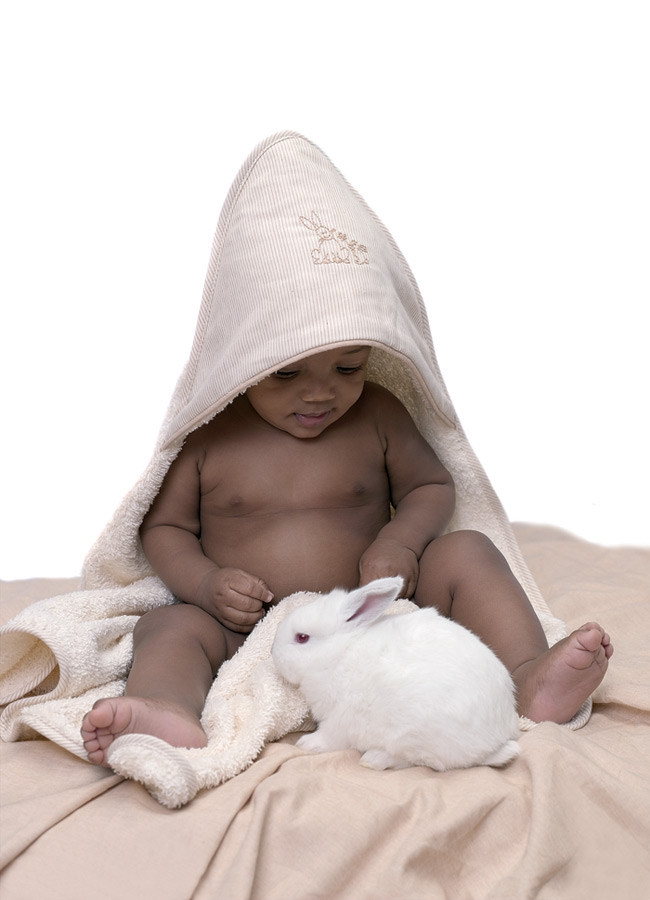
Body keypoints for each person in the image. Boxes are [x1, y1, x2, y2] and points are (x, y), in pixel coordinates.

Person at [81, 344, 612, 765]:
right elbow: (165, 527)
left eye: (348, 367)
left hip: (373, 618)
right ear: (240, 357)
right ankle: (167, 707)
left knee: (466, 550)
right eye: (286, 373)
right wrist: (204, 583)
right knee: (168, 625)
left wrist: (399, 543)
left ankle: (526, 677)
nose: (320, 392)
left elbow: (430, 485)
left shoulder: (377, 412)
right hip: (240, 628)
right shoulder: (209, 430)